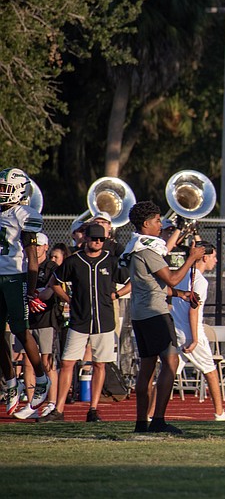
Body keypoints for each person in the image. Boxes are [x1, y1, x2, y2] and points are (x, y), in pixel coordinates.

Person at [123, 200, 205, 434]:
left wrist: (181, 294)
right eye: (158, 221)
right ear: (146, 223)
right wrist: (191, 257)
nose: (160, 225)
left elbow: (156, 285)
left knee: (148, 366)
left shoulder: (137, 246)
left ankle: (141, 423)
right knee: (171, 362)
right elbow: (171, 278)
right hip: (155, 314)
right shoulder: (147, 251)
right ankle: (158, 420)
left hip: (141, 314)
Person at [39, 224, 130, 423]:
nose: (97, 242)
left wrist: (117, 294)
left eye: (101, 239)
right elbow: (54, 283)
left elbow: (132, 279)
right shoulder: (74, 261)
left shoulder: (111, 261)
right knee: (68, 362)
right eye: (94, 238)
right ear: (86, 239)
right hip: (79, 320)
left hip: (103, 321)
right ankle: (59, 409)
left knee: (99, 364)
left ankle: (93, 409)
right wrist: (68, 299)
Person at [170, 241, 225, 421]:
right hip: (190, 333)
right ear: (204, 257)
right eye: (214, 257)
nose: (216, 261)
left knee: (168, 374)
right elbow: (193, 309)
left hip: (176, 331)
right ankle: (219, 413)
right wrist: (194, 339)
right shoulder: (199, 281)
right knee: (210, 371)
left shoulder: (182, 275)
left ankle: (149, 413)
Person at [0, 168, 51, 414]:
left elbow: (33, 259)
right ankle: (11, 382)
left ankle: (41, 378)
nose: (1, 193)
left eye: (5, 189)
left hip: (15, 277)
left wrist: (31, 290)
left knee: (21, 331)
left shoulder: (24, 214)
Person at [11, 233, 60, 419]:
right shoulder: (22, 265)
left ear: (46, 247)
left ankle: (52, 403)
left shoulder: (51, 267)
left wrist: (36, 295)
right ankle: (32, 404)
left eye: (39, 246)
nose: (36, 249)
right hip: (26, 319)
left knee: (47, 363)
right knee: (28, 363)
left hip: (46, 319)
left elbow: (52, 289)